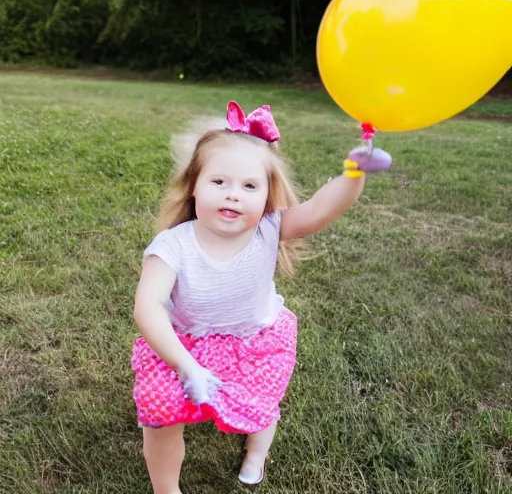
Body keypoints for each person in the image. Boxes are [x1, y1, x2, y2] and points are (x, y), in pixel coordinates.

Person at [131, 100, 391, 493]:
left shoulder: (269, 228)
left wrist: (353, 174)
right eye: (219, 182)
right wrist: (185, 365)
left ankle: (256, 451)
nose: (233, 195)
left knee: (260, 403)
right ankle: (166, 489)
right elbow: (147, 306)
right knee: (161, 414)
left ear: (268, 196)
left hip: (254, 341)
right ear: (194, 186)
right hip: (183, 344)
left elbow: (322, 209)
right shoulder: (173, 246)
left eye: (250, 186)